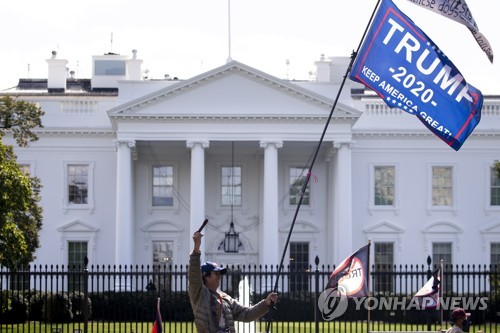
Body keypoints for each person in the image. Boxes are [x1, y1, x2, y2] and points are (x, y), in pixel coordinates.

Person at [189, 230, 278, 333]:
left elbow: (247, 314)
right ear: (205, 276)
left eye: (220, 274)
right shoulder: (199, 294)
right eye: (216, 274)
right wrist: (196, 248)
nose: (219, 277)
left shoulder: (225, 298)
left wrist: (265, 304)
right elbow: (194, 275)